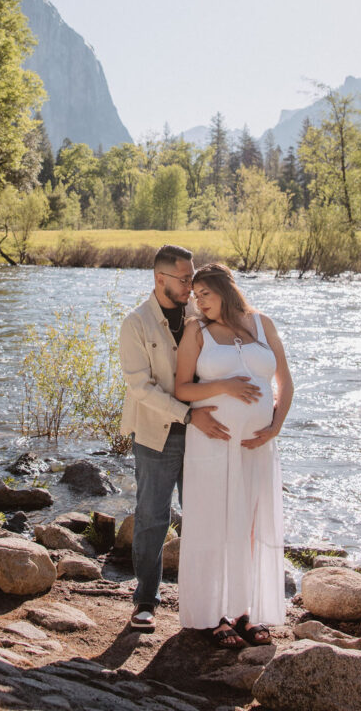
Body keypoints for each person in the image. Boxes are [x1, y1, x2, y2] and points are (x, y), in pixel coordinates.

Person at [175, 263, 294, 648]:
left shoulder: (262, 324)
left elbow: (285, 381)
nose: (198, 301)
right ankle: (215, 615)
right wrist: (224, 386)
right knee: (215, 524)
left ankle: (247, 611)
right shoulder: (196, 331)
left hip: (257, 446)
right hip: (213, 442)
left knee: (252, 526)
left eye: (204, 293)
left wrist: (275, 427)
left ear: (225, 289)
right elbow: (181, 389)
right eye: (194, 296)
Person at [120, 244, 230, 633]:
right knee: (152, 517)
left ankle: (206, 603)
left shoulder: (201, 312)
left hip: (206, 433)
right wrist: (188, 414)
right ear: (160, 279)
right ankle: (146, 601)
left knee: (203, 516)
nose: (191, 286)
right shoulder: (135, 324)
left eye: (192, 278)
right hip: (157, 433)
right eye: (184, 280)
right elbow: (140, 388)